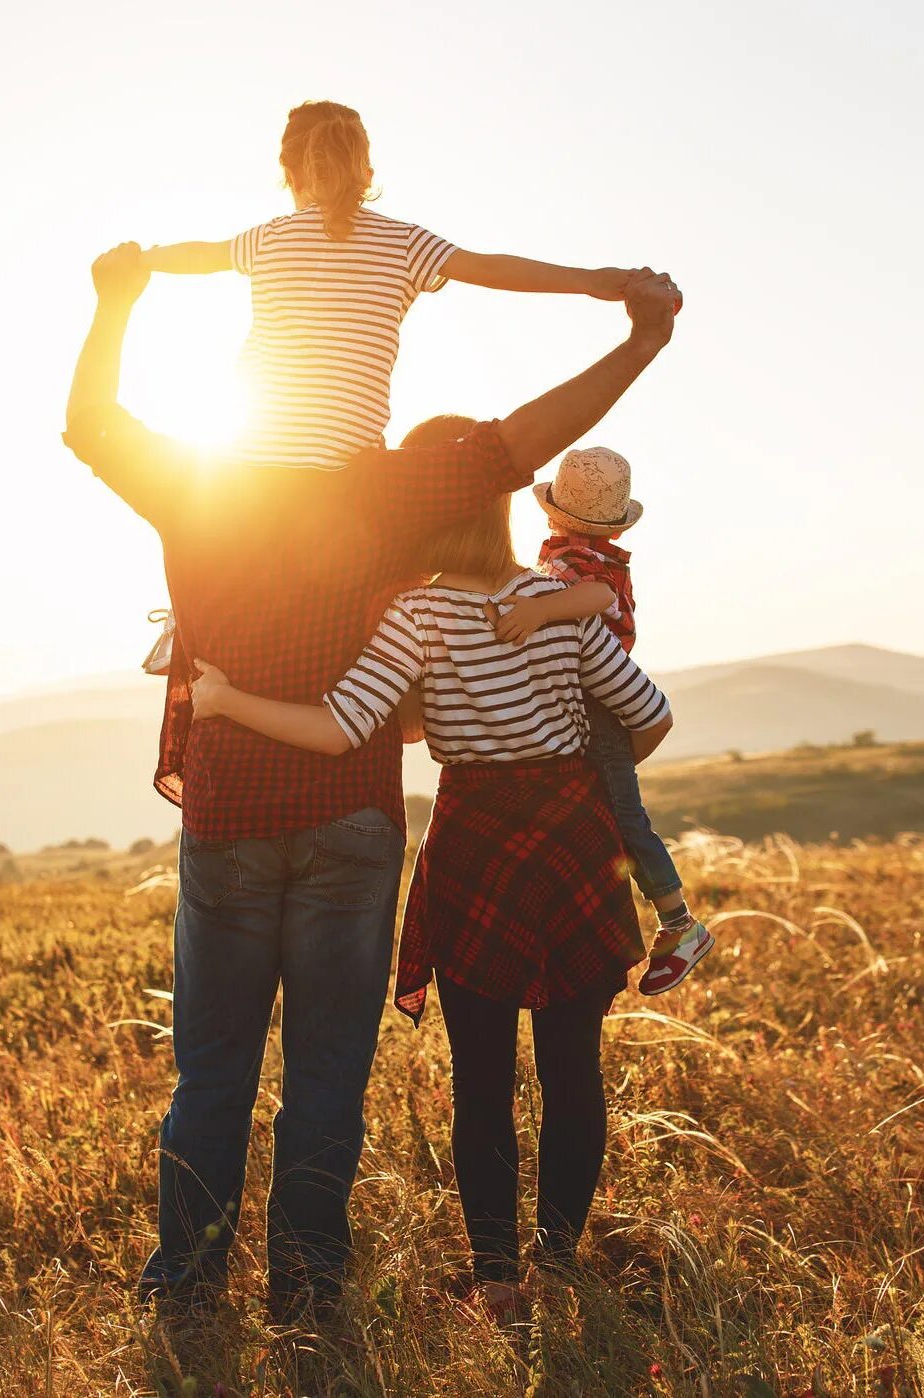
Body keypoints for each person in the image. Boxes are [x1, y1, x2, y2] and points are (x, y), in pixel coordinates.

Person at [63, 238, 681, 1318]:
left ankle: (188, 1285)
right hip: (359, 821)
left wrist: (116, 303)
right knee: (329, 1079)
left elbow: (91, 425)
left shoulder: (197, 480)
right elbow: (531, 440)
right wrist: (637, 337)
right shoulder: (399, 490)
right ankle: (310, 1289)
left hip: (234, 816)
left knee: (212, 1073)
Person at [189, 441, 675, 1317]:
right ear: (500, 513)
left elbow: (343, 729)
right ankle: (557, 1264)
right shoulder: (554, 601)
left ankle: (497, 1282)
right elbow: (649, 714)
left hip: (475, 843)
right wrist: (566, 766)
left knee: (480, 1078)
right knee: (574, 1070)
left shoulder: (415, 614)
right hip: (569, 840)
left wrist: (223, 702)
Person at [141, 99, 645, 468]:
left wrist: (141, 260)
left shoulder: (268, 238)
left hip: (249, 460)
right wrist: (593, 281)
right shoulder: (404, 243)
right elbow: (493, 269)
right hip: (348, 467)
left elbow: (199, 256)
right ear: (366, 171)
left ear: (289, 173)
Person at [489, 446, 714, 993]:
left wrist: (539, 610)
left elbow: (593, 598)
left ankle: (680, 923)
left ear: (552, 511)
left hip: (597, 702)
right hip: (590, 702)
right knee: (601, 815)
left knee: (623, 817)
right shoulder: (581, 555)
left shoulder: (581, 566)